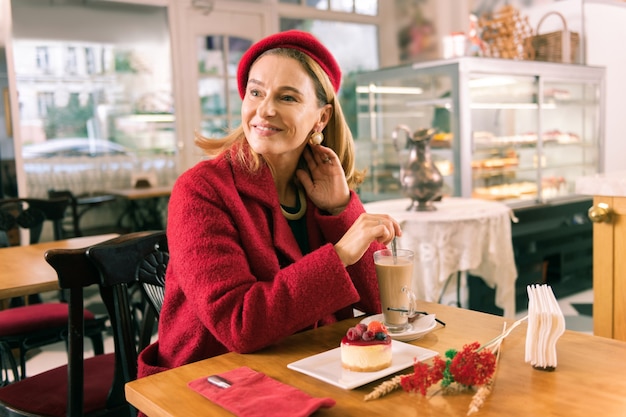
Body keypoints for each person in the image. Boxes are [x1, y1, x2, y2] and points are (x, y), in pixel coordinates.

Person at [137, 30, 402, 379]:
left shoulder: (320, 187)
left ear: (321, 119)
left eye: (288, 97)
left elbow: (382, 307)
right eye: (256, 92)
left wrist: (340, 210)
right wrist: (340, 254)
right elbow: (239, 325)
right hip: (209, 384)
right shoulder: (200, 190)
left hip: (308, 369)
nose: (265, 110)